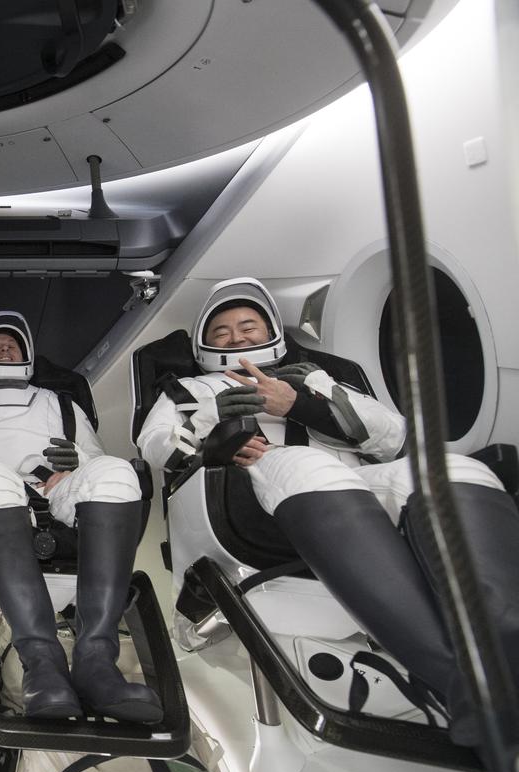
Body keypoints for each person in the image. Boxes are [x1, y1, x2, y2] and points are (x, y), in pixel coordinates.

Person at [136, 276, 519, 741]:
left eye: (248, 326)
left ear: (272, 329)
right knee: (306, 465)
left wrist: (300, 403)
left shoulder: (320, 378)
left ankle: (505, 650)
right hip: (252, 484)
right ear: (203, 343)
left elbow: (394, 437)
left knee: (452, 470)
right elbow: (157, 446)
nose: (236, 337)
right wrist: (214, 425)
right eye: (222, 332)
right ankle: (464, 685)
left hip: (357, 482)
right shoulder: (186, 390)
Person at [0, 311, 163, 724]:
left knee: (118, 471)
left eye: (12, 343)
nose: (5, 348)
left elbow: (96, 460)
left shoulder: (62, 403)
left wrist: (78, 461)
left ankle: (97, 662)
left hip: (57, 488)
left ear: (28, 355)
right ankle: (42, 664)